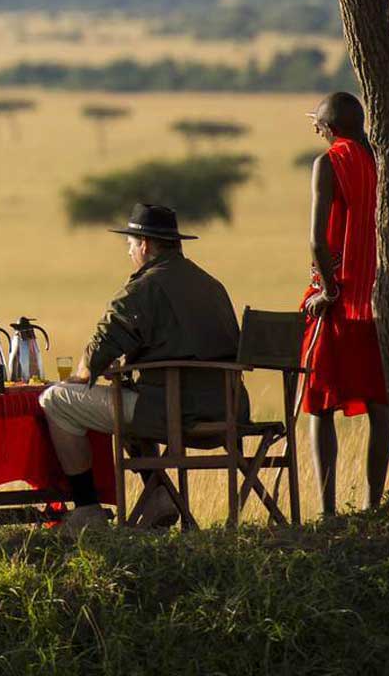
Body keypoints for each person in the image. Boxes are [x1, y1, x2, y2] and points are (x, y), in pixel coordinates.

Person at [39, 203, 244, 534]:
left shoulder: (146, 285)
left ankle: (87, 509)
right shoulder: (211, 285)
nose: (131, 252)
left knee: (56, 401)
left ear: (145, 245)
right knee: (126, 395)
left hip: (175, 413)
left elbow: (99, 349)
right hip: (228, 410)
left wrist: (79, 378)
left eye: (131, 245)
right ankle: (157, 494)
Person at [301, 91, 389, 515]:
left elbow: (317, 240)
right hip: (380, 299)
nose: (316, 130)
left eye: (318, 124)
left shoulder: (328, 162)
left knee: (320, 404)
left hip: (340, 301)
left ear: (329, 129)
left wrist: (329, 291)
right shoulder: (382, 159)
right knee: (380, 404)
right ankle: (375, 505)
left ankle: (328, 511)